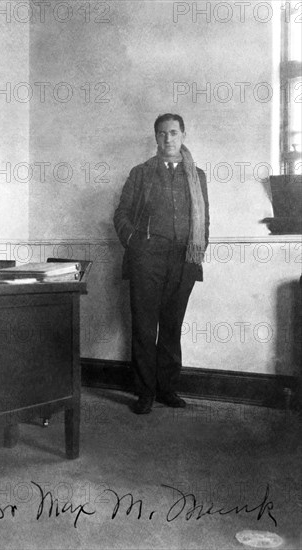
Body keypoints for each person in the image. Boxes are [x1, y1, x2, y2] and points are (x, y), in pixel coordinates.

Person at [114, 114, 210, 414]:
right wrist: (137, 245)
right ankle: (144, 393)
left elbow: (205, 221)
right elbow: (121, 215)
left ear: (183, 135)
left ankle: (167, 389)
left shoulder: (198, 176)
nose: (168, 139)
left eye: (173, 133)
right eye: (162, 134)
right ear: (155, 138)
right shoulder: (141, 173)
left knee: (172, 326)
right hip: (147, 260)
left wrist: (200, 246)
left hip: (184, 260)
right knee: (144, 328)